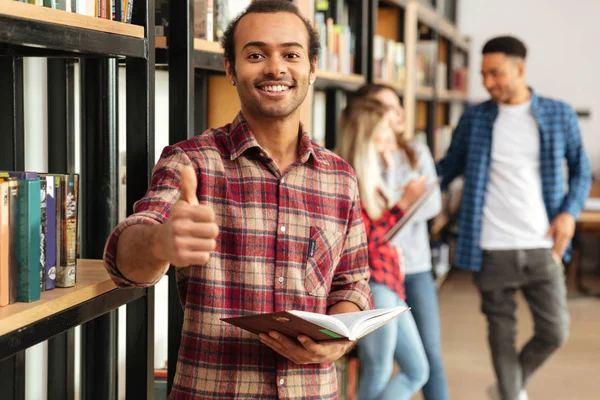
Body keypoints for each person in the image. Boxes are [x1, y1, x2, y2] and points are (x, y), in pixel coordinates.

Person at [102, 1, 373, 398]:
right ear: (230, 68)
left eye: (291, 54)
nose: (276, 68)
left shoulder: (340, 177)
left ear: (312, 67)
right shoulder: (191, 162)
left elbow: (353, 286)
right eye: (256, 54)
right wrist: (161, 242)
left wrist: (339, 340)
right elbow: (124, 262)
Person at [437, 35, 592, 400]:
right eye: (483, 75)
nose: (488, 83)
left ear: (519, 69)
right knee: (500, 333)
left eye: (495, 73)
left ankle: (509, 386)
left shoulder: (558, 113)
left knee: (555, 331)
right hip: (491, 247)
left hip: (543, 244)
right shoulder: (475, 118)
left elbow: (581, 171)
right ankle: (510, 392)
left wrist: (569, 213)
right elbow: (448, 167)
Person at [354, 83, 448, 400]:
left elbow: (432, 206)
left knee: (424, 360)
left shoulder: (412, 151)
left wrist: (398, 192)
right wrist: (403, 200)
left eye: (396, 107)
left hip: (408, 268)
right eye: (386, 109)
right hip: (379, 276)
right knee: (380, 367)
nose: (396, 115)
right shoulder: (360, 167)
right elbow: (374, 230)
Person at [335, 96, 430, 400]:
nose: (392, 136)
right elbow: (365, 241)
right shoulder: (349, 179)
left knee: (415, 369)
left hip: (388, 284)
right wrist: (403, 204)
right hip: (376, 285)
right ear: (369, 133)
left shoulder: (371, 175)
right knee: (379, 371)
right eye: (386, 128)